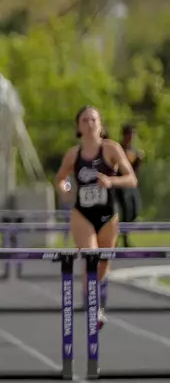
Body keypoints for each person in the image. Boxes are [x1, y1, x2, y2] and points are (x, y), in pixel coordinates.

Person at [55, 106, 139, 327]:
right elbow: (60, 178)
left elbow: (131, 179)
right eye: (85, 120)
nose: (90, 123)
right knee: (91, 256)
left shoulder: (111, 149)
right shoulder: (74, 154)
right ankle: (94, 308)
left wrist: (111, 181)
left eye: (93, 119)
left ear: (101, 125)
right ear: (78, 127)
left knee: (103, 263)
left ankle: (92, 298)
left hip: (108, 215)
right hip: (82, 214)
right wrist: (65, 190)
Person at [118, 124, 145, 246]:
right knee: (126, 210)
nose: (131, 137)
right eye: (129, 134)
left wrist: (138, 162)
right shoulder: (119, 149)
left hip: (132, 186)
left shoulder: (133, 150)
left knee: (135, 210)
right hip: (121, 186)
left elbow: (134, 170)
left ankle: (123, 231)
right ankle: (124, 239)